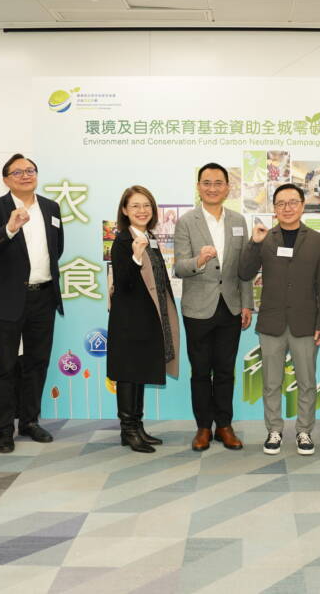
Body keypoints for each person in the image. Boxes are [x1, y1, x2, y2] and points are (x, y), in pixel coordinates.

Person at [0, 154, 64, 454]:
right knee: (5, 365)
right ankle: (4, 429)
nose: (26, 175)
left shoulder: (51, 207)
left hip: (43, 296)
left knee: (37, 362)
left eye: (30, 170)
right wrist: (10, 228)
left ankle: (29, 421)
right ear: (6, 179)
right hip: (8, 299)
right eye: (18, 172)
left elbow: (56, 248)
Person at [239, 183, 320, 456]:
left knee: (307, 382)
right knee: (271, 382)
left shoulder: (316, 240)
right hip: (272, 322)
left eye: (292, 202)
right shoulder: (265, 238)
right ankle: (274, 430)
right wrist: (254, 244)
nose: (287, 208)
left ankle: (304, 431)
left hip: (306, 323)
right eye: (281, 203)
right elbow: (245, 273)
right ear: (274, 208)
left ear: (302, 206)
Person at [174, 163, 253, 452]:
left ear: (227, 188)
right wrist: (199, 261)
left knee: (225, 370)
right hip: (197, 309)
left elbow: (244, 268)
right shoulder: (186, 222)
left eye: (218, 183)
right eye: (206, 183)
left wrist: (247, 304)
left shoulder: (238, 221)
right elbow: (179, 267)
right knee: (200, 371)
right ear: (198, 187)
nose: (212, 188)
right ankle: (203, 427)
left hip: (230, 307)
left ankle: (225, 426)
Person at [107, 185, 180, 453]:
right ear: (125, 210)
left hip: (148, 318)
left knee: (138, 372)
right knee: (128, 373)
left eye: (146, 205)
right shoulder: (123, 241)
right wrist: (136, 257)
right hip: (129, 320)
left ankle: (137, 427)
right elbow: (123, 283)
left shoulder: (150, 237)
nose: (142, 210)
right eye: (135, 206)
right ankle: (128, 430)